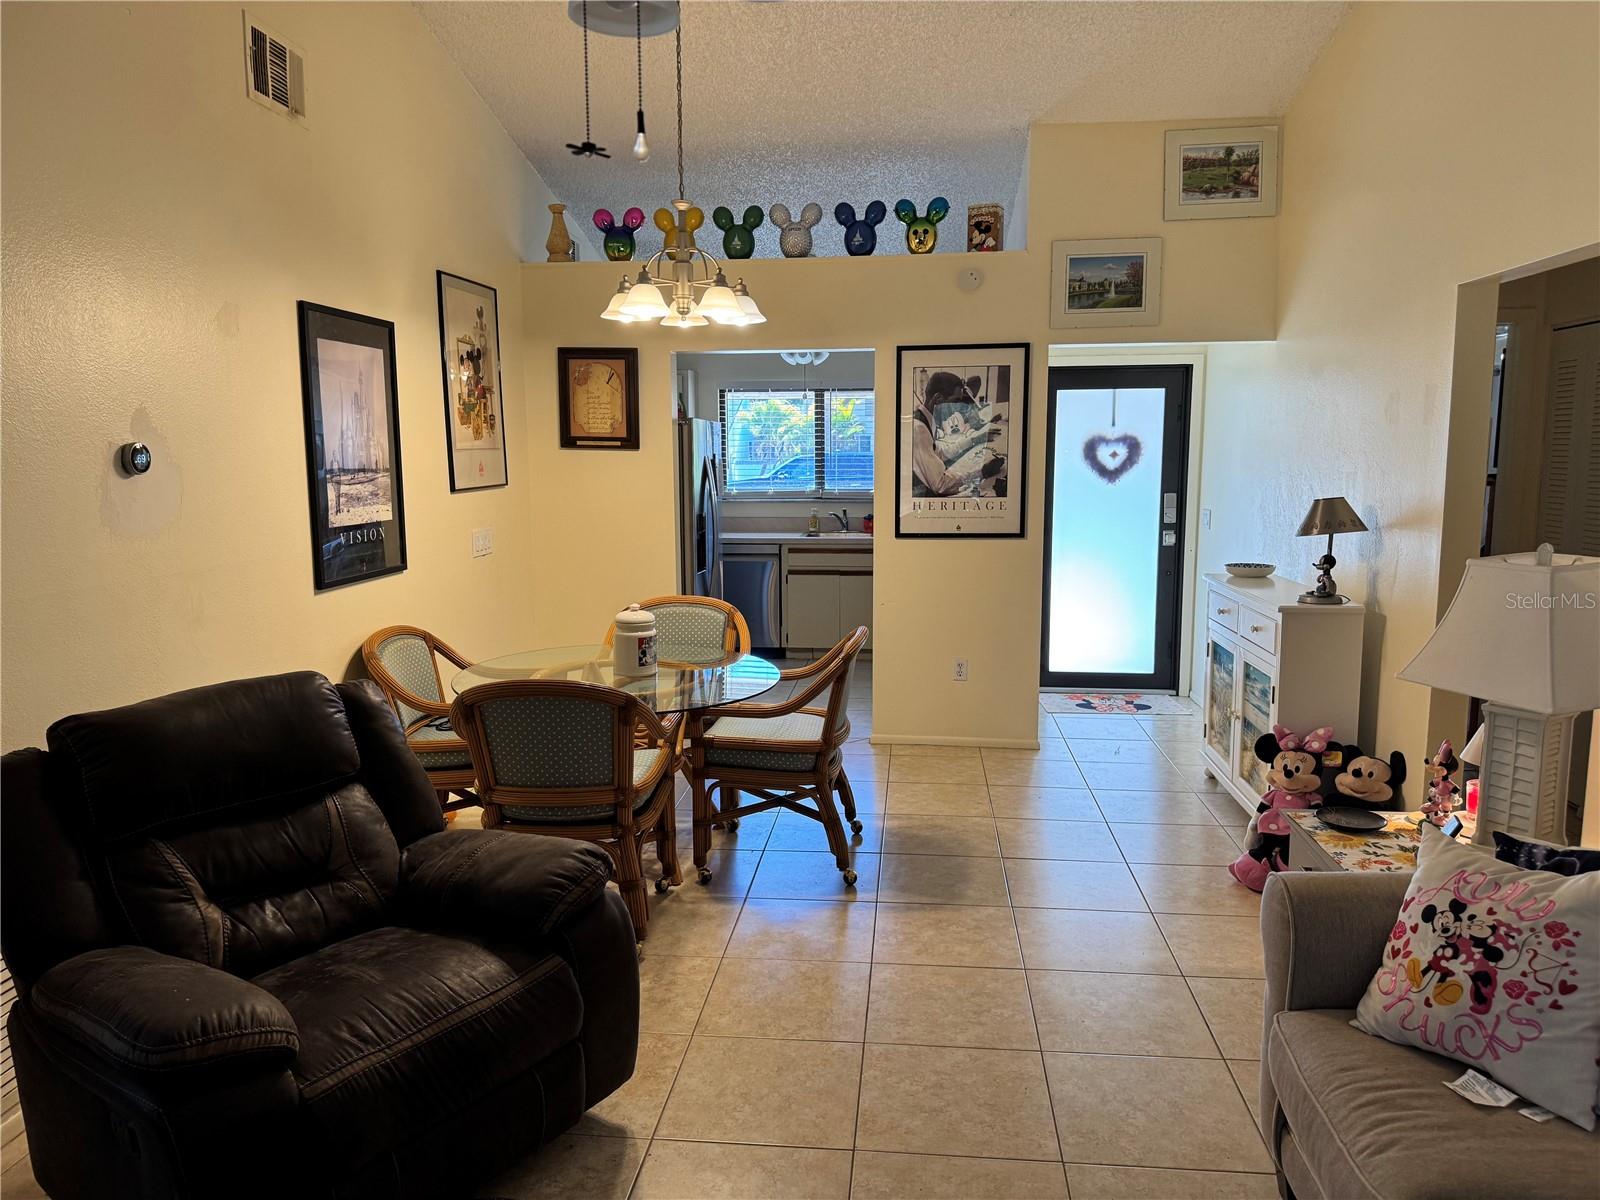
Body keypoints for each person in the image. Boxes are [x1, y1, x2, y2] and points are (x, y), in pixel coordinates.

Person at [910, 371, 1005, 497]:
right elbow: (941, 485)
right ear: (938, 399)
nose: (957, 409)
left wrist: (976, 439)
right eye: (955, 401)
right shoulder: (918, 429)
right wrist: (982, 473)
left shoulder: (925, 420)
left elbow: (940, 453)